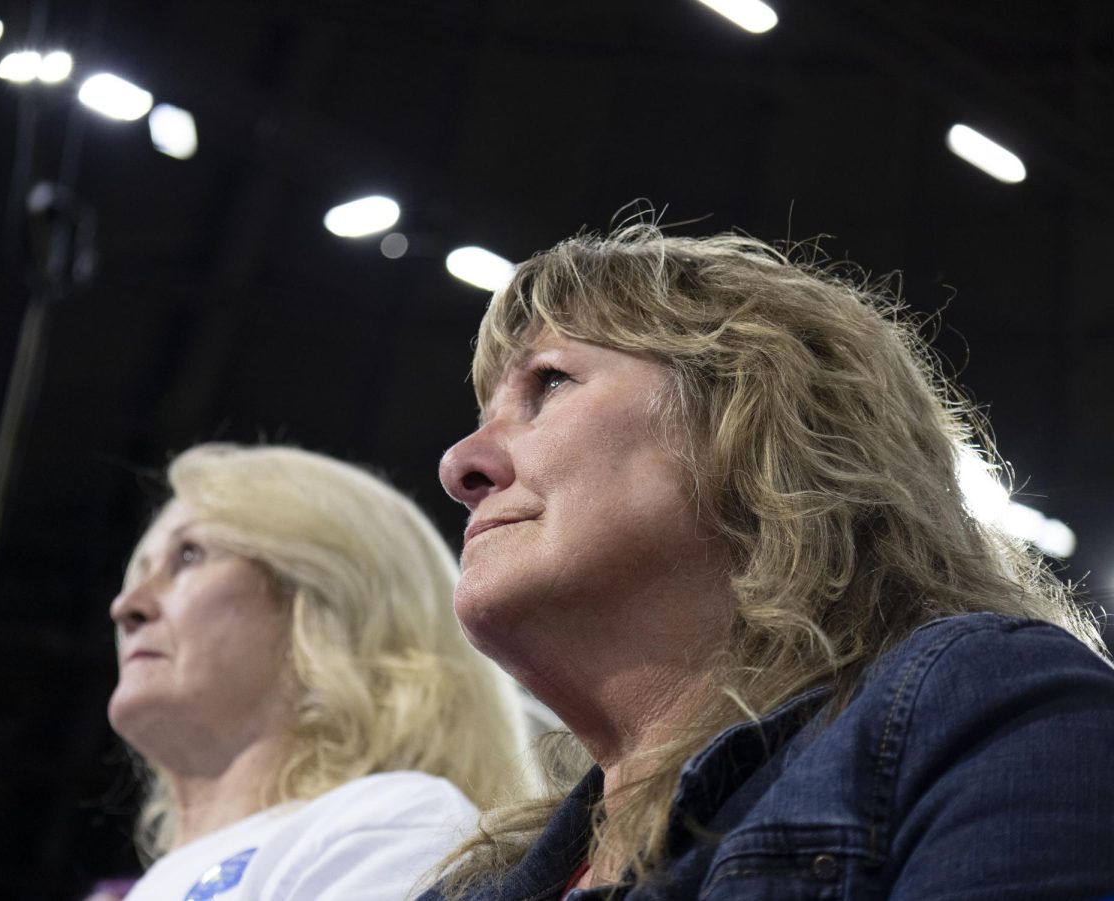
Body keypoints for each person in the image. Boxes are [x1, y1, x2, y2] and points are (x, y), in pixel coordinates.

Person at [427, 226, 1114, 900]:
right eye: (487, 410)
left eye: (549, 383)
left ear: (753, 424)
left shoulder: (983, 708)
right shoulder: (468, 887)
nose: (460, 464)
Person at [105, 443, 530, 900]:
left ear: (326, 608)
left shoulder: (386, 825)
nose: (125, 606)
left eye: (188, 555)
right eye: (140, 571)